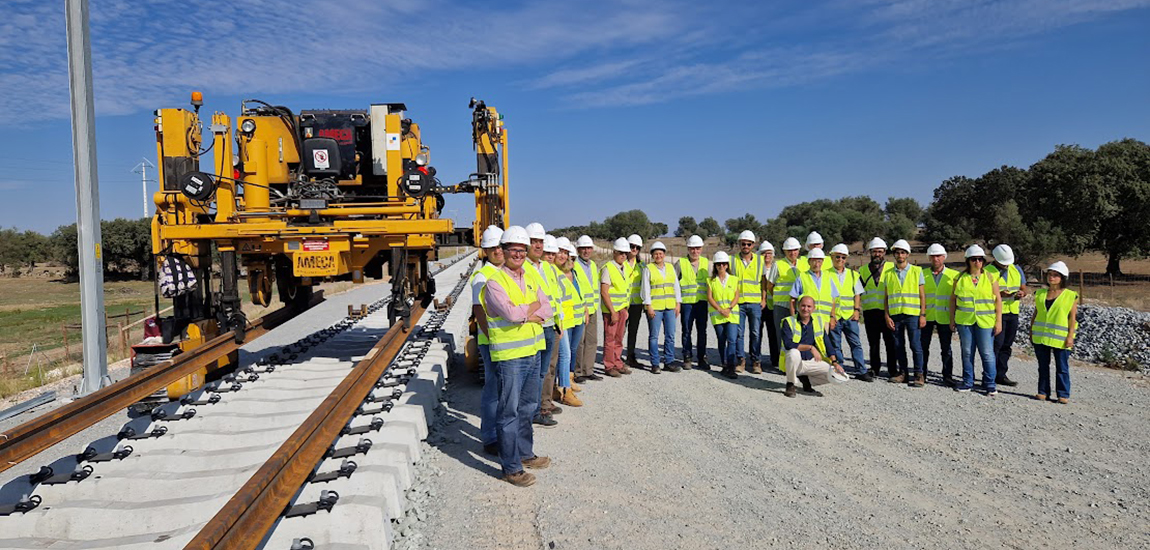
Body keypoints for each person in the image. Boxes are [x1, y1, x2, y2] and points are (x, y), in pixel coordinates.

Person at [480, 225, 552, 487]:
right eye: (513, 250)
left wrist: (527, 310)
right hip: (510, 357)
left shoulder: (530, 276)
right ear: (503, 250)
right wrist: (530, 309)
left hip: (532, 352)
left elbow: (547, 307)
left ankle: (525, 453)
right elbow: (510, 314)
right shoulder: (494, 282)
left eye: (522, 250)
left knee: (528, 407)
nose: (518, 254)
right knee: (508, 411)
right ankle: (511, 468)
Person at [949, 245, 1003, 395]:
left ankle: (990, 384)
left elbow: (998, 300)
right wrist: (951, 320)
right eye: (974, 259)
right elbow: (953, 300)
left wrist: (998, 321)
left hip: (985, 321)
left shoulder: (991, 277)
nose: (977, 262)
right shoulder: (959, 278)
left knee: (987, 353)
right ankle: (967, 382)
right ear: (968, 261)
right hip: (965, 321)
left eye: (980, 259)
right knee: (967, 352)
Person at [524, 225, 562, 427]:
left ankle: (542, 405)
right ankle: (534, 409)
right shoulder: (522, 267)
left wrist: (559, 322)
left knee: (546, 369)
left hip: (551, 325)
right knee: (535, 371)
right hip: (536, 327)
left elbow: (555, 296)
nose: (538, 245)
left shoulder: (547, 267)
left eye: (540, 242)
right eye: (534, 241)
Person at [471, 225, 504, 456]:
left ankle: (501, 431)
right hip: (491, 340)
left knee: (504, 389)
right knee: (492, 389)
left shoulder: (505, 272)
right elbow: (478, 310)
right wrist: (492, 337)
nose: (498, 251)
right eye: (492, 248)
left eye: (500, 246)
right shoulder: (482, 276)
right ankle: (490, 436)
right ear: (485, 251)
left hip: (506, 340)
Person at [1030, 261, 1078, 404]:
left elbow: (1072, 318)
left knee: (1062, 367)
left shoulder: (1070, 295)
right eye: (1050, 275)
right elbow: (1036, 313)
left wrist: (1070, 336)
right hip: (1041, 336)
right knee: (1043, 366)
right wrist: (1031, 330)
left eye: (1055, 275)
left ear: (1063, 278)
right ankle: (1043, 391)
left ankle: (1063, 393)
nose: (1051, 277)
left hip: (1060, 338)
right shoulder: (1040, 293)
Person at [781, 296, 848, 398]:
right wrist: (810, 347)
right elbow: (788, 344)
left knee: (833, 373)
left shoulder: (818, 322)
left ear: (814, 309)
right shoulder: (788, 321)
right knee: (793, 352)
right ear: (798, 307)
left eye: (809, 306)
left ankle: (806, 381)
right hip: (794, 363)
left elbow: (828, 344)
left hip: (810, 362)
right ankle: (790, 384)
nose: (805, 309)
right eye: (803, 306)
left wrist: (835, 363)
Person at [883, 239, 927, 387]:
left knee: (915, 345)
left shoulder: (916, 271)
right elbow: (887, 296)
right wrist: (887, 315)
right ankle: (903, 373)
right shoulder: (888, 273)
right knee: (898, 345)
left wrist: (922, 314)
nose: (900, 255)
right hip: (895, 315)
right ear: (894, 255)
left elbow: (922, 295)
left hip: (912, 314)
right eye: (897, 252)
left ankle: (919, 374)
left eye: (903, 252)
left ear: (907, 254)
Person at [987, 244, 1027, 387]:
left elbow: (1023, 287)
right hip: (996, 313)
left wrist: (1022, 293)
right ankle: (990, 374)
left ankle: (1001, 375)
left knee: (1006, 345)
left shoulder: (1016, 269)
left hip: (1012, 312)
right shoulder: (987, 271)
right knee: (996, 345)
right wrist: (999, 294)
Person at [826, 243, 869, 380]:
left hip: (850, 316)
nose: (840, 259)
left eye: (843, 257)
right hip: (835, 317)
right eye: (837, 256)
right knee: (836, 345)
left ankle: (861, 370)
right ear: (832, 257)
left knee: (856, 343)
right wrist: (832, 316)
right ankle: (840, 369)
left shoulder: (853, 274)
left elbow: (857, 294)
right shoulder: (826, 274)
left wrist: (857, 310)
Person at [552, 237, 583, 407]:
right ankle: (565, 390)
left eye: (565, 252)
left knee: (565, 355)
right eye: (560, 251)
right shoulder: (553, 272)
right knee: (564, 355)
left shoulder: (558, 272)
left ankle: (562, 387)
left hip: (564, 321)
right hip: (558, 322)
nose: (563, 255)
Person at [922, 244, 959, 386]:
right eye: (933, 256)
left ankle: (947, 376)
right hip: (927, 316)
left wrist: (954, 318)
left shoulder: (954, 275)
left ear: (944, 257)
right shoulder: (922, 274)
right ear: (929, 257)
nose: (935, 258)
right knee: (923, 347)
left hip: (945, 316)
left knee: (946, 348)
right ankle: (922, 373)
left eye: (938, 256)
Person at [860, 237, 897, 379]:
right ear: (870, 252)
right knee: (873, 343)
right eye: (875, 251)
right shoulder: (862, 270)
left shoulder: (892, 268)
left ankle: (893, 370)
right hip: (870, 311)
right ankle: (874, 368)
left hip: (887, 311)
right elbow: (858, 291)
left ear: (884, 252)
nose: (877, 254)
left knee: (890, 342)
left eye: (880, 251)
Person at [643, 241, 682, 373]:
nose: (658, 256)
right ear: (652, 255)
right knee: (654, 336)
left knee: (670, 335)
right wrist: (648, 306)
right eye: (656, 254)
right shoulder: (648, 269)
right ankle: (655, 363)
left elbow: (676, 286)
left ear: (664, 254)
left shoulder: (670, 268)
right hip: (655, 307)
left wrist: (678, 303)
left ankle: (669, 361)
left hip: (670, 307)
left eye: (660, 253)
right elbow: (645, 289)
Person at [731, 230, 765, 373]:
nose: (746, 246)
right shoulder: (731, 260)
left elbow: (764, 281)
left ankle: (756, 361)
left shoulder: (760, 260)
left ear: (753, 245)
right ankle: (741, 360)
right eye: (743, 243)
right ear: (739, 244)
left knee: (756, 332)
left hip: (755, 302)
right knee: (739, 333)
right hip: (738, 303)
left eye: (748, 244)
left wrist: (764, 298)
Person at [601, 238, 633, 377]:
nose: (623, 256)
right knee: (610, 338)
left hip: (622, 309)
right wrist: (613, 311)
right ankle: (609, 366)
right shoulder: (608, 268)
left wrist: (625, 310)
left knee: (619, 338)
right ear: (614, 252)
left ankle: (618, 362)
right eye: (620, 253)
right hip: (611, 311)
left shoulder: (625, 267)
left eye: (625, 253)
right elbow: (604, 292)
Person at [573, 235, 603, 383]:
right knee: (580, 342)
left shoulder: (592, 265)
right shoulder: (574, 265)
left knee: (591, 341)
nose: (586, 251)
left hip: (593, 309)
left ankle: (588, 370)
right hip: (580, 309)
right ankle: (578, 372)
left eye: (588, 248)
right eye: (583, 248)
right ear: (578, 249)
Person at [677, 235, 710, 370]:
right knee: (686, 331)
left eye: (697, 248)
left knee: (702, 331)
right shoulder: (681, 263)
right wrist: (677, 302)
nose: (695, 251)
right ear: (688, 249)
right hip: (686, 303)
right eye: (692, 248)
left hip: (701, 303)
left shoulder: (707, 263)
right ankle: (687, 357)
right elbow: (674, 283)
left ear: (701, 249)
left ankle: (702, 358)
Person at [769, 237, 802, 370]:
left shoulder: (804, 264)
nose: (792, 253)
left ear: (799, 250)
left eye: (794, 250)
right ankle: (784, 365)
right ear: (784, 251)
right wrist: (778, 297)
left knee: (798, 335)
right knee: (782, 336)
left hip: (799, 306)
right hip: (782, 306)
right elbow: (770, 285)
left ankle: (797, 363)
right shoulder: (778, 265)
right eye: (789, 250)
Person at [707, 251, 741, 379]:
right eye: (718, 264)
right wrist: (720, 309)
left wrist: (729, 308)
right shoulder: (711, 281)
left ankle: (731, 366)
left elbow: (736, 296)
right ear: (715, 266)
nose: (721, 266)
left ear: (727, 265)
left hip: (731, 314)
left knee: (732, 340)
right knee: (721, 340)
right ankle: (724, 365)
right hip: (718, 315)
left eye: (723, 264)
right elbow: (710, 297)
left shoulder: (734, 279)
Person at [789, 248, 838, 326]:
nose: (817, 264)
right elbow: (792, 300)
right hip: (806, 320)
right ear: (809, 262)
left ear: (823, 262)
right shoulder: (802, 277)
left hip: (824, 319)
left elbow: (833, 299)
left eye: (819, 261)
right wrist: (793, 318)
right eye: (814, 261)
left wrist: (832, 316)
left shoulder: (828, 277)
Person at [758, 240, 780, 367]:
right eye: (764, 253)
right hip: (759, 305)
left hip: (773, 306)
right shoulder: (757, 267)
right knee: (757, 333)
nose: (767, 256)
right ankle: (756, 358)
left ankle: (775, 359)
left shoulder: (776, 267)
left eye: (769, 253)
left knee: (773, 333)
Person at [624, 234, 645, 369]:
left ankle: (630, 356)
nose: (634, 249)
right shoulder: (621, 264)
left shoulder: (642, 266)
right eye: (632, 246)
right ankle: (615, 356)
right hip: (623, 304)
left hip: (637, 304)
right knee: (619, 331)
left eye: (637, 247)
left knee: (633, 331)